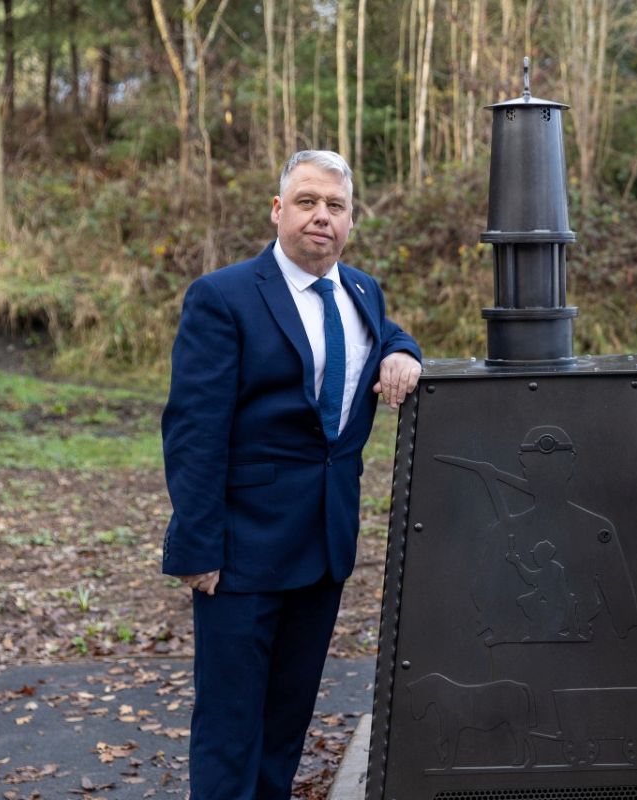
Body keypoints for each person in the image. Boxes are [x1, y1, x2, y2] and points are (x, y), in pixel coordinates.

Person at [161, 150, 422, 799]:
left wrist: (404, 352)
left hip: (324, 547)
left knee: (285, 726)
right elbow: (194, 430)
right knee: (230, 726)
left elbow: (383, 336)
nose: (320, 217)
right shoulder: (223, 297)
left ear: (351, 220)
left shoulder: (360, 289)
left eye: (335, 206)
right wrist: (197, 546)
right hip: (241, 552)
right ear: (278, 211)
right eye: (306, 202)